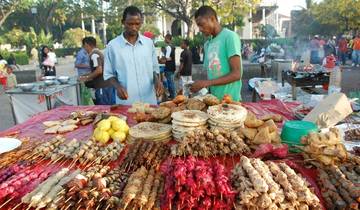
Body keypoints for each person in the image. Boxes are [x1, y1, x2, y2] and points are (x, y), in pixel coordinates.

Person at [103, 6, 163, 105]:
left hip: (149, 102)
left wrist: (157, 81)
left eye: (137, 24)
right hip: (127, 102)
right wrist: (117, 87)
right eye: (130, 24)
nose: (134, 27)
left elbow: (154, 69)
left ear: (141, 22)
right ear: (123, 22)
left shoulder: (148, 43)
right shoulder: (112, 46)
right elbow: (109, 74)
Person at [191, 6, 242, 101]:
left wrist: (206, 83)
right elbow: (211, 75)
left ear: (212, 19)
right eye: (198, 26)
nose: (200, 29)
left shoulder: (230, 37)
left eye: (201, 24)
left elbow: (237, 74)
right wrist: (202, 86)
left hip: (230, 102)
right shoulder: (207, 44)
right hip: (214, 102)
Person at [80, 37, 115, 105]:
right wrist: (84, 76)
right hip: (108, 85)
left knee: (104, 109)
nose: (84, 49)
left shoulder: (94, 55)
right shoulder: (98, 52)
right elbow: (96, 70)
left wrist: (87, 78)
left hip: (103, 87)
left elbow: (99, 70)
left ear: (87, 45)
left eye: (84, 46)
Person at [160, 34, 176, 99]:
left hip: (169, 67)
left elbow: (167, 58)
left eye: (165, 38)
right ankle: (172, 95)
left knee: (170, 82)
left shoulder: (169, 47)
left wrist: (162, 57)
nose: (164, 40)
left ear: (167, 39)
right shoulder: (172, 46)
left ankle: (173, 96)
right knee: (171, 81)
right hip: (172, 67)